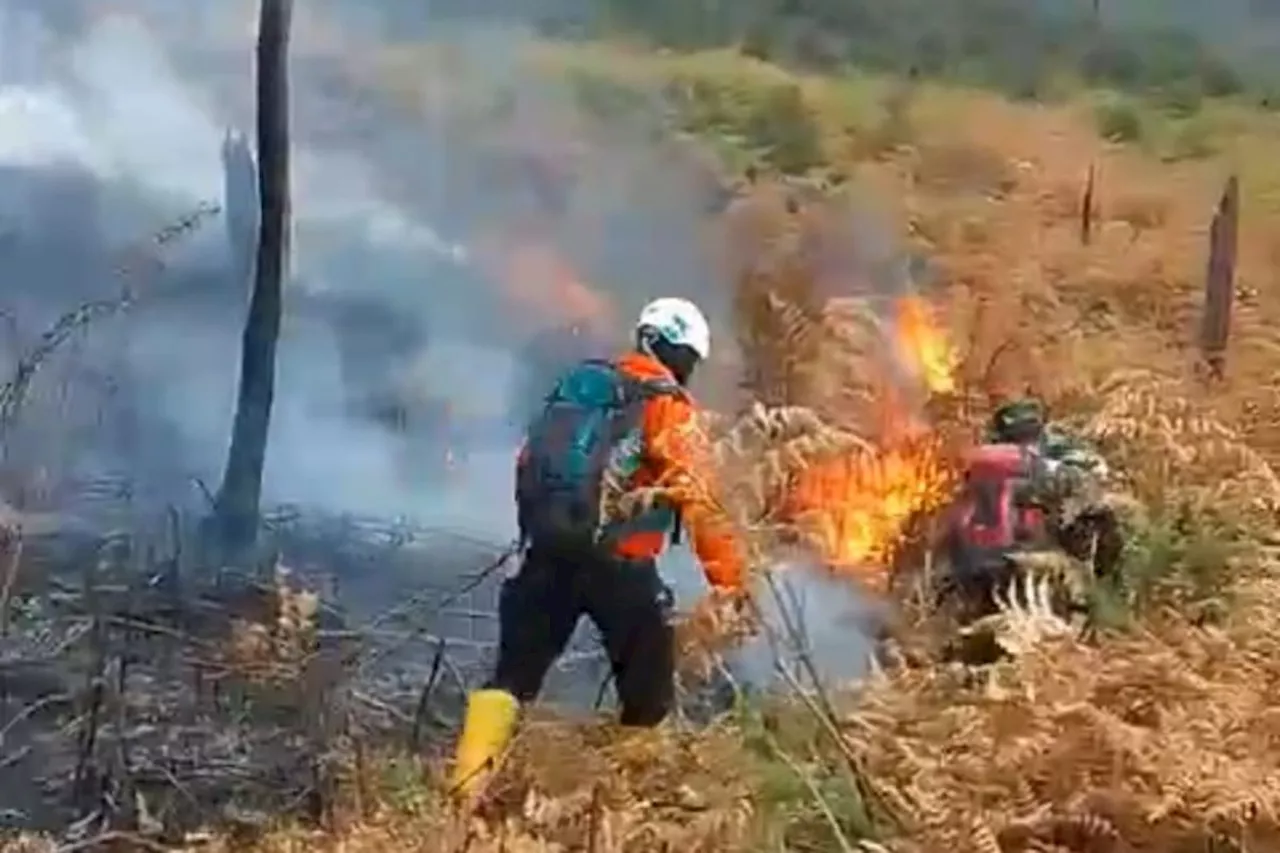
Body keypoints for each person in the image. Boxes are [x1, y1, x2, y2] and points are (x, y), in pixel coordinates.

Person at [450, 297, 747, 799]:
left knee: (510, 679)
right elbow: (700, 499)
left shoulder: (582, 387)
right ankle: (628, 811)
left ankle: (462, 797)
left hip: (546, 556)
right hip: (622, 568)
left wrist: (545, 533)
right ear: (683, 356)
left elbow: (527, 461)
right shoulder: (665, 403)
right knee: (647, 695)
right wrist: (731, 582)